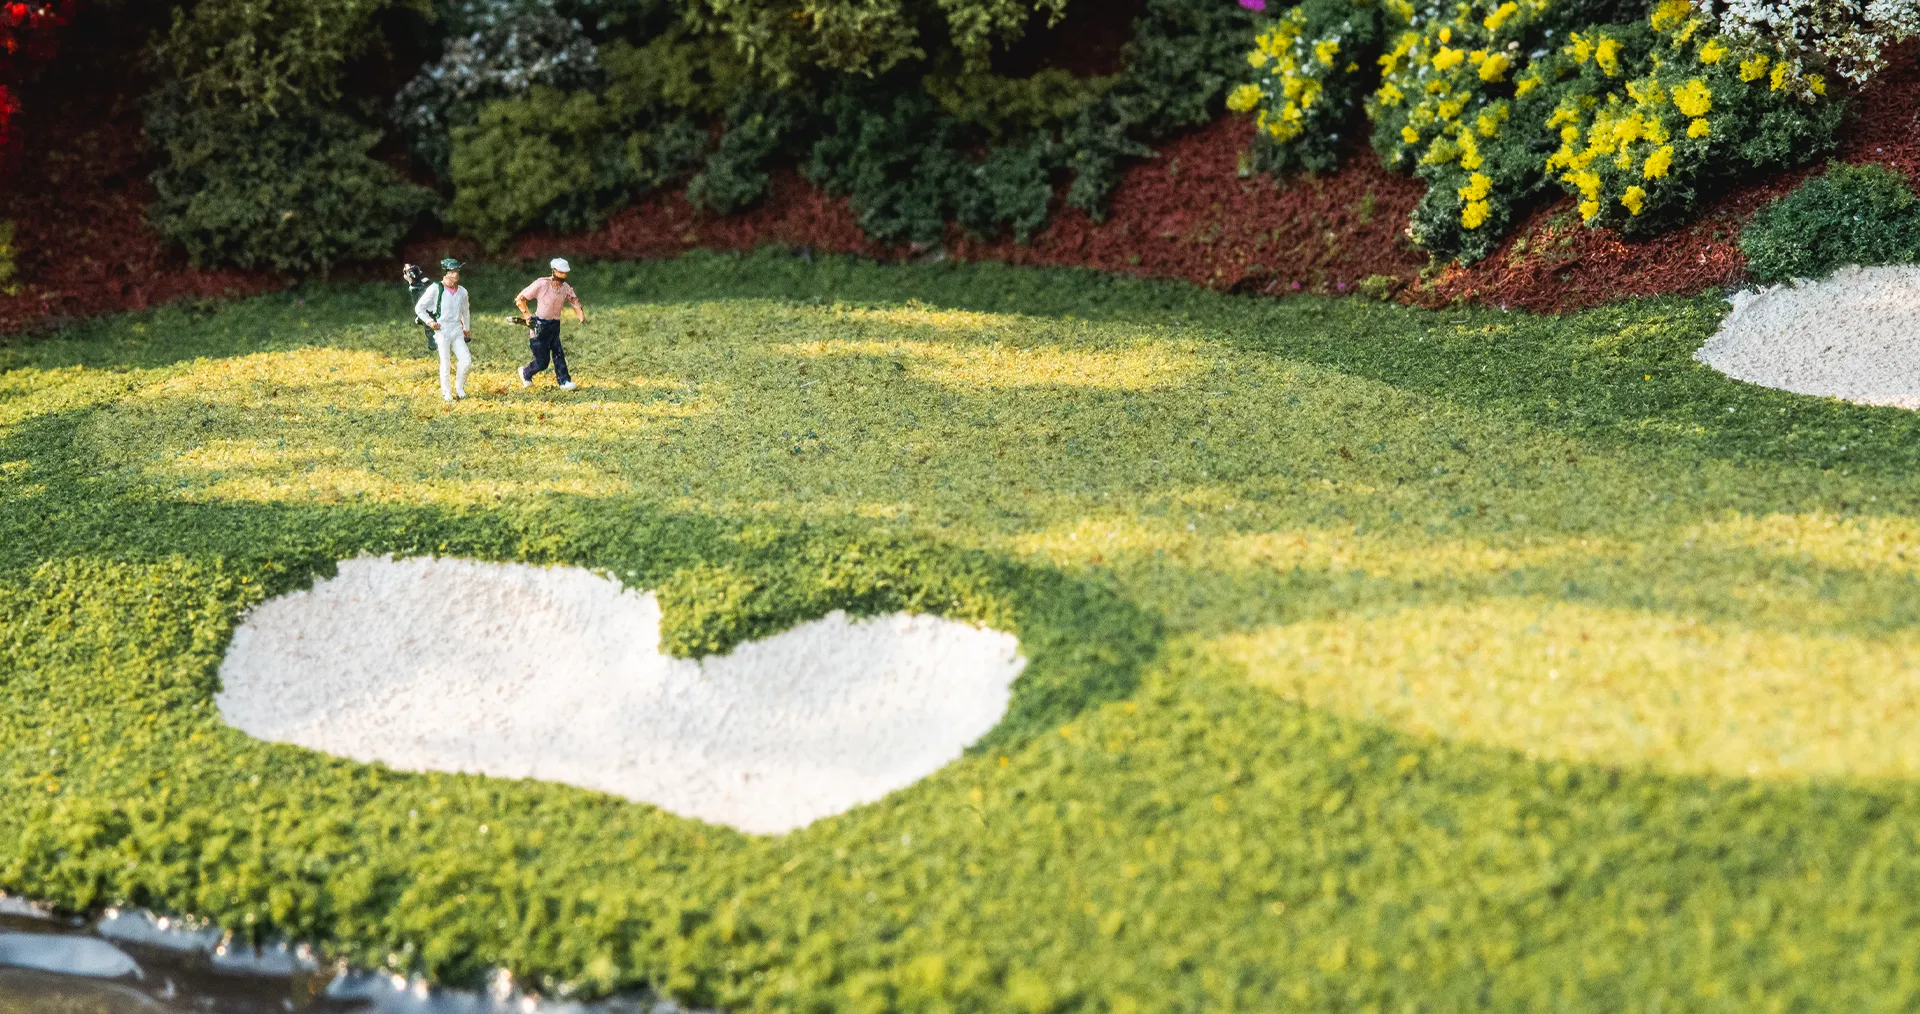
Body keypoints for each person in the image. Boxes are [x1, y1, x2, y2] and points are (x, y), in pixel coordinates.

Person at [515, 257, 586, 391]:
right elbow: (520, 299)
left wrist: (580, 315)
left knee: (558, 354)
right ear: (553, 271)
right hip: (539, 325)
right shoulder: (542, 284)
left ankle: (564, 381)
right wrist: (527, 315)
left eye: (565, 273)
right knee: (542, 362)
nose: (564, 275)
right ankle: (525, 372)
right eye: (561, 272)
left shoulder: (565, 288)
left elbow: (574, 300)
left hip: (554, 325)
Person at [414, 258, 473, 402]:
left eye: (457, 272)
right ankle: (447, 393)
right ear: (445, 274)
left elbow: (465, 311)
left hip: (457, 329)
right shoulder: (435, 288)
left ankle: (460, 388)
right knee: (445, 362)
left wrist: (467, 328)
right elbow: (419, 308)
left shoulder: (462, 292)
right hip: (442, 329)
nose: (455, 275)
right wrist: (430, 321)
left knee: (466, 360)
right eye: (452, 272)